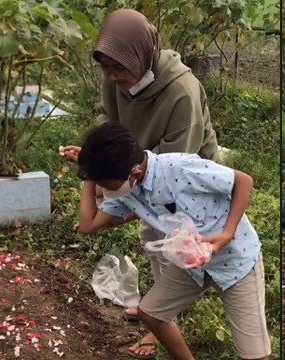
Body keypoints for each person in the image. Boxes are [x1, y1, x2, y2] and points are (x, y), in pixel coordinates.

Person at [60, 9, 219, 359]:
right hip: (136, 170)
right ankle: (156, 311)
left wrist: (119, 188)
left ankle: (158, 321)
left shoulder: (181, 92)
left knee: (172, 243)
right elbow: (108, 118)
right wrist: (97, 155)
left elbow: (179, 159)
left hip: (183, 180)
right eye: (107, 69)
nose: (113, 77)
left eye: (119, 69)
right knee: (153, 242)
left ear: (141, 55)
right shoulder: (115, 75)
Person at [75, 123, 271, 360]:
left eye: (105, 185)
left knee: (254, 354)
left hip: (235, 260)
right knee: (151, 313)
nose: (103, 191)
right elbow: (88, 225)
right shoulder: (128, 191)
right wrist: (89, 175)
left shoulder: (179, 167)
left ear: (134, 172)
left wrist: (227, 233)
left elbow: (243, 181)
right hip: (193, 260)